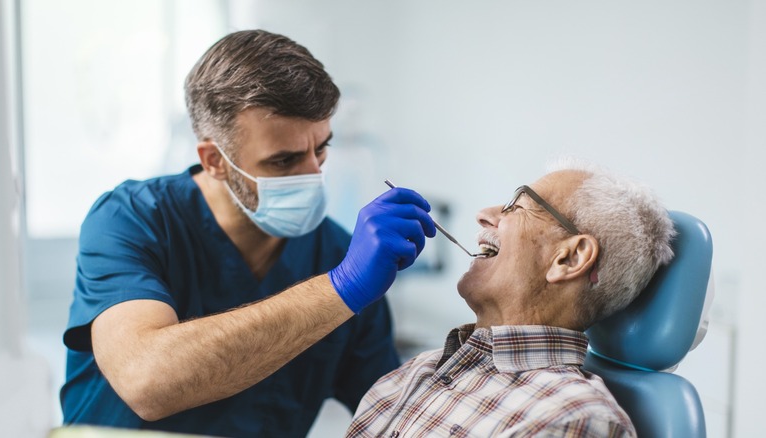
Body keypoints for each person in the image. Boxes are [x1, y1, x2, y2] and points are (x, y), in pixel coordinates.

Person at [60, 29, 436, 438]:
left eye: (321, 148)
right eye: (284, 160)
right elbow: (147, 381)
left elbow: (396, 417)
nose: (313, 175)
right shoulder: (131, 219)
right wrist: (339, 290)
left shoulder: (337, 253)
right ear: (214, 160)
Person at [346, 159, 676, 437]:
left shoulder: (573, 420)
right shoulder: (420, 370)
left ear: (569, 259)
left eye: (516, 206)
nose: (483, 215)